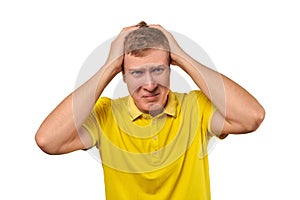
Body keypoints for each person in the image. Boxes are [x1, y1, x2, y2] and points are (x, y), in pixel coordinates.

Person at [35, 21, 265, 199]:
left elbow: (252, 117)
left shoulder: (196, 107)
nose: (150, 84)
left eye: (158, 70)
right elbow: (48, 140)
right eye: (136, 73)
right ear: (122, 75)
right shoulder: (106, 114)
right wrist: (109, 65)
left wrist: (182, 55)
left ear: (171, 68)